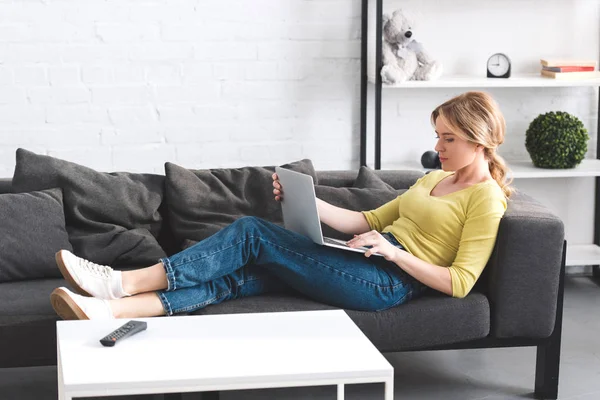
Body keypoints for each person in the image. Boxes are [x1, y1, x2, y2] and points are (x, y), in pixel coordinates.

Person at [50, 91, 511, 320]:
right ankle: (109, 312)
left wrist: (394, 253)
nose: (438, 146)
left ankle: (118, 284)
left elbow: (460, 283)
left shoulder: (486, 199)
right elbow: (366, 220)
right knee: (243, 276)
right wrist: (308, 200)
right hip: (368, 258)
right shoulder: (433, 178)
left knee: (253, 232)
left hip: (389, 282)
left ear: (479, 140)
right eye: (438, 135)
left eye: (448, 138)